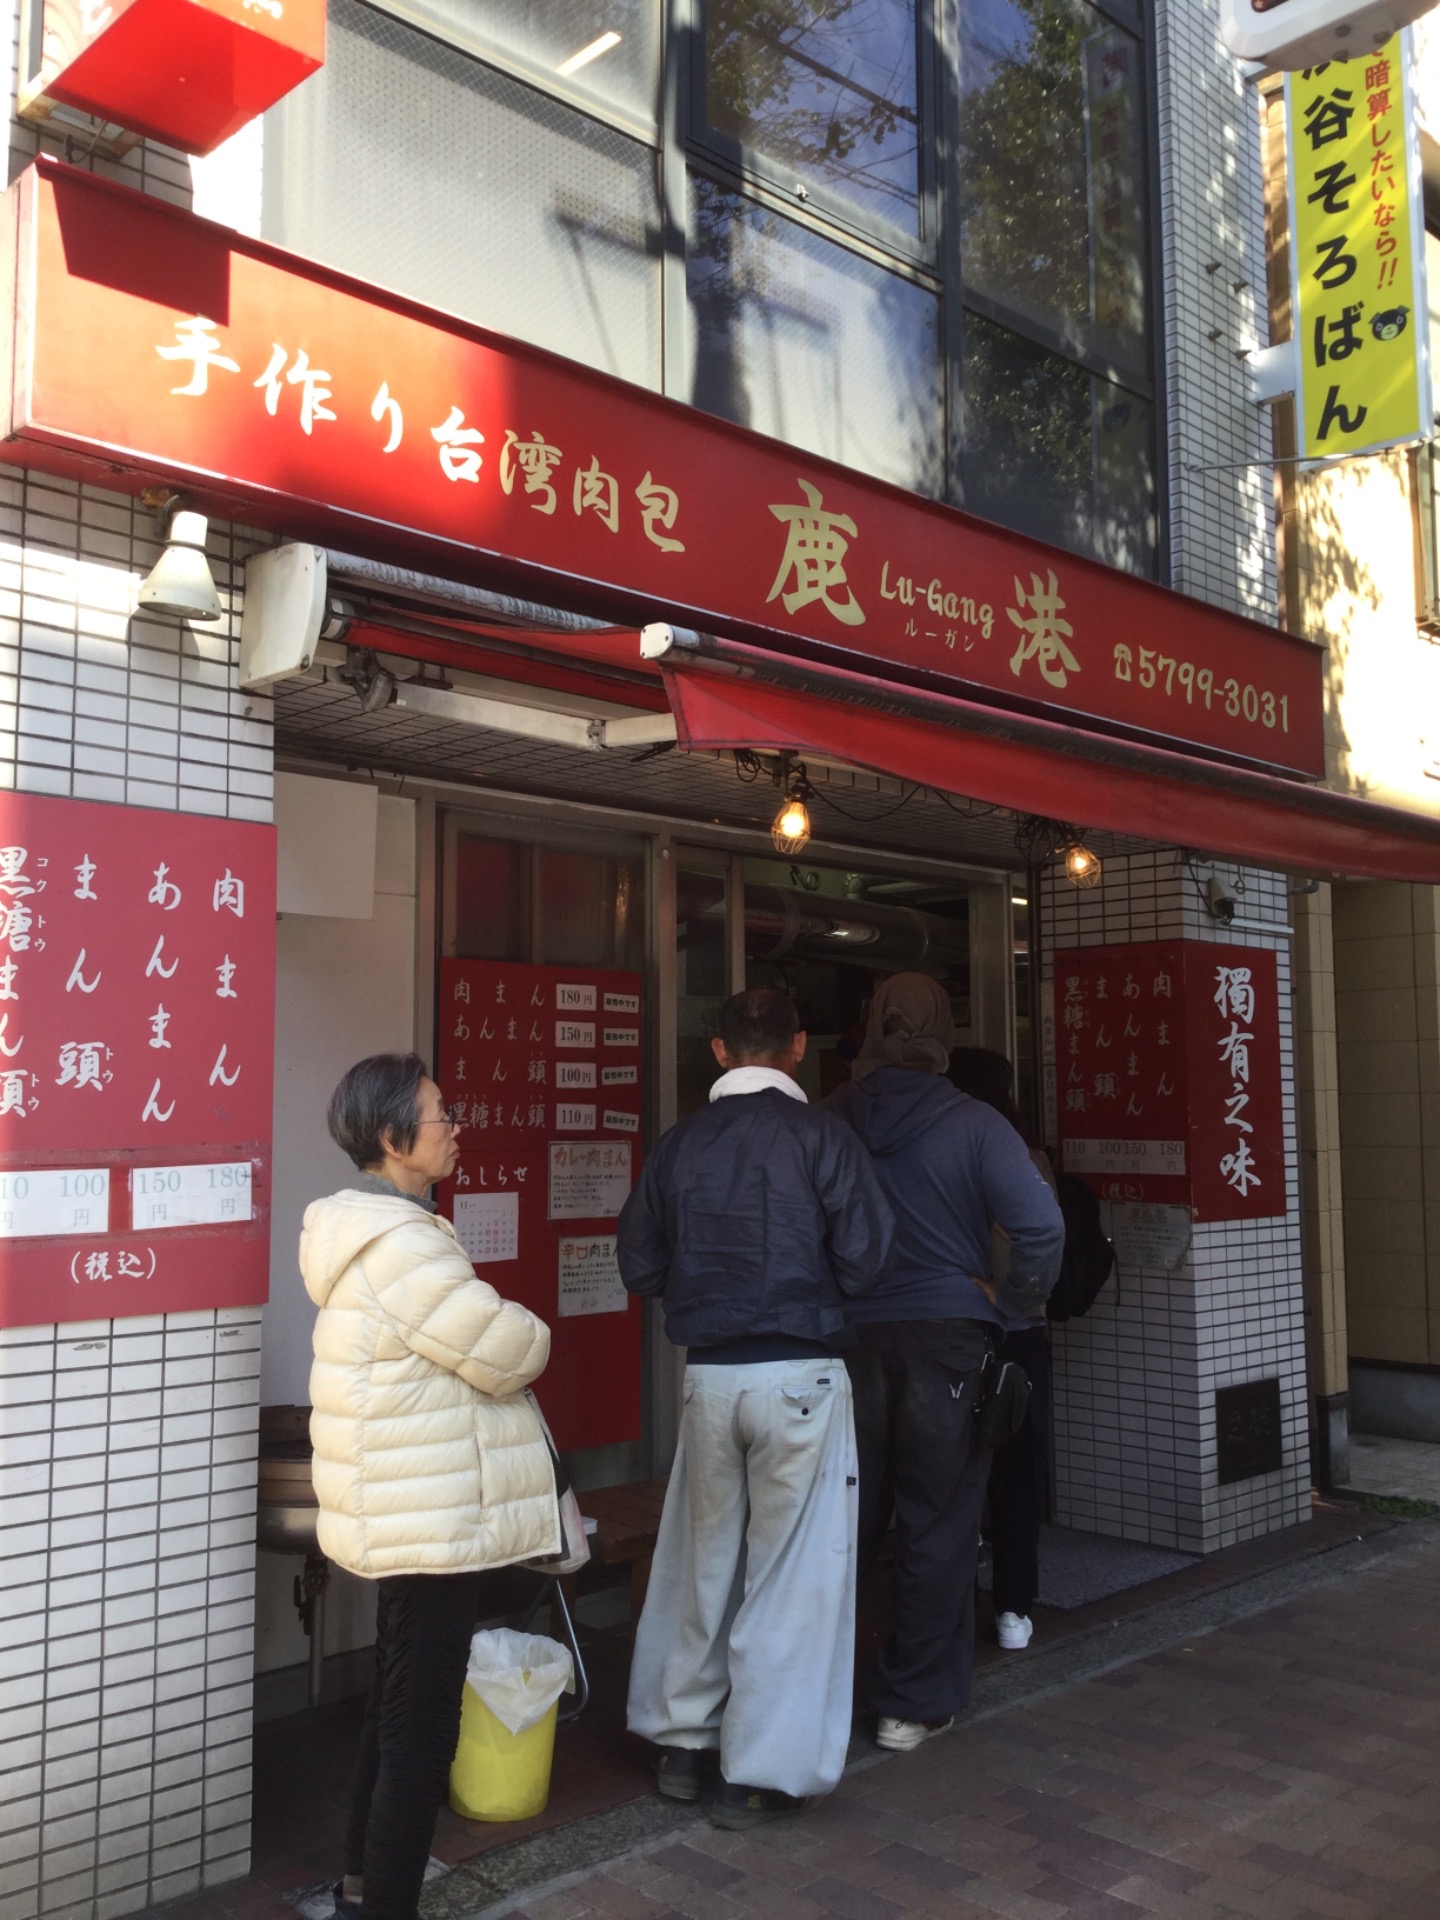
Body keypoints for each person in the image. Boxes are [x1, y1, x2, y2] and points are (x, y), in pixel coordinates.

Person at [617, 987, 894, 1829]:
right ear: (799, 1047)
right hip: (805, 1375)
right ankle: (753, 1775)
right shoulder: (825, 1138)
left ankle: (682, 1745)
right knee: (791, 1577)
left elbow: (638, 1264)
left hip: (709, 1378)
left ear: (718, 1051)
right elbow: (869, 1257)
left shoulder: (678, 1146)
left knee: (699, 1564)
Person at [302, 1053, 557, 1920]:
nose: (454, 1129)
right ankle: (387, 1903)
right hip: (431, 1517)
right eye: (441, 1114)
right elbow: (509, 1349)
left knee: (398, 1699)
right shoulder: (402, 1245)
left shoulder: (372, 1234)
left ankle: (361, 1884)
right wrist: (530, 1324)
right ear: (391, 1137)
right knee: (421, 1724)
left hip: (412, 1508)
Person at [827, 976, 1064, 1753]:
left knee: (839, 1527)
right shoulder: (976, 1123)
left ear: (869, 1026)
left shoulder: (829, 1119)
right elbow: (1041, 1228)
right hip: (949, 1347)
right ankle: (910, 1707)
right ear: (944, 1032)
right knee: (939, 1522)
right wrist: (1011, 1303)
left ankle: (820, 1694)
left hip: (849, 1344)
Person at [948, 1046, 1058, 1654]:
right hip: (1024, 1339)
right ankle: (1015, 1609)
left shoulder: (946, 1153)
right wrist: (1018, 1296)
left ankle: (956, 1603)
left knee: (954, 1476)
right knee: (1019, 1476)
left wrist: (995, 1294)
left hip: (962, 1335)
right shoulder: (1029, 1155)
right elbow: (1046, 1240)